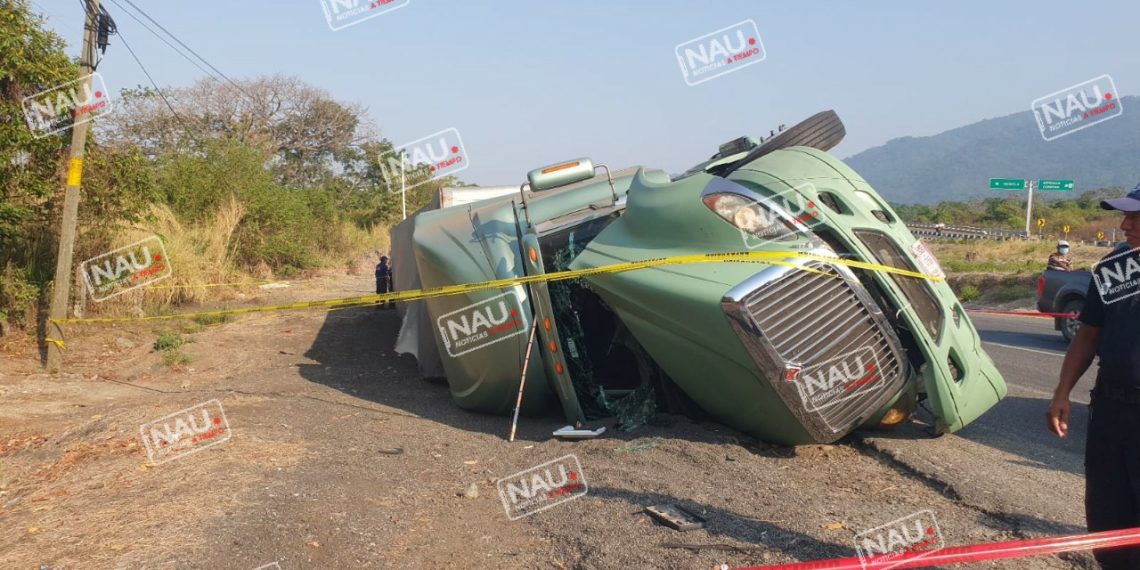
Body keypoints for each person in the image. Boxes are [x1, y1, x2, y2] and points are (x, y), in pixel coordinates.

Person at [1045, 183, 1140, 570]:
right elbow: (1088, 335)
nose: (1125, 224)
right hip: (1111, 413)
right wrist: (1062, 392)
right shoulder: (1114, 271)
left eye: (1136, 217)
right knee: (1106, 516)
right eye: (1126, 215)